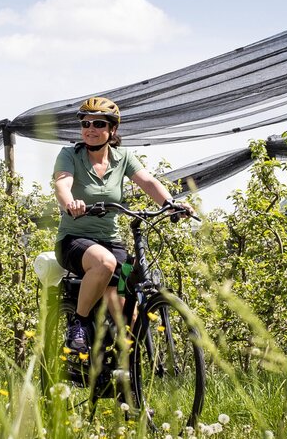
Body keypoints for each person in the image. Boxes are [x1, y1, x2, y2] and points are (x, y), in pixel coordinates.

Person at [53, 97, 194, 353]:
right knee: (105, 263)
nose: (90, 129)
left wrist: (171, 203)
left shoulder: (123, 157)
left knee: (129, 306)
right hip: (74, 241)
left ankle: (123, 368)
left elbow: (148, 182)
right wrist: (70, 203)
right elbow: (62, 183)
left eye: (98, 124)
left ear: (112, 129)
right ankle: (79, 324)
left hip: (111, 242)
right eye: (85, 124)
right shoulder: (69, 155)